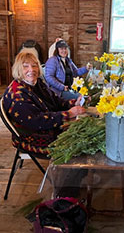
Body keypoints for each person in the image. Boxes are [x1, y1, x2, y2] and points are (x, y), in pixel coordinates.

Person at [3, 50, 88, 197]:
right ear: (18, 68)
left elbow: (55, 101)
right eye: (26, 66)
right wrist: (69, 114)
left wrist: (74, 102)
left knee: (82, 136)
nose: (32, 70)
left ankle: (74, 183)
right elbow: (38, 121)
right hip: (32, 136)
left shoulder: (36, 83)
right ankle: (65, 194)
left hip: (44, 126)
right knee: (76, 146)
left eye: (34, 65)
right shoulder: (17, 95)